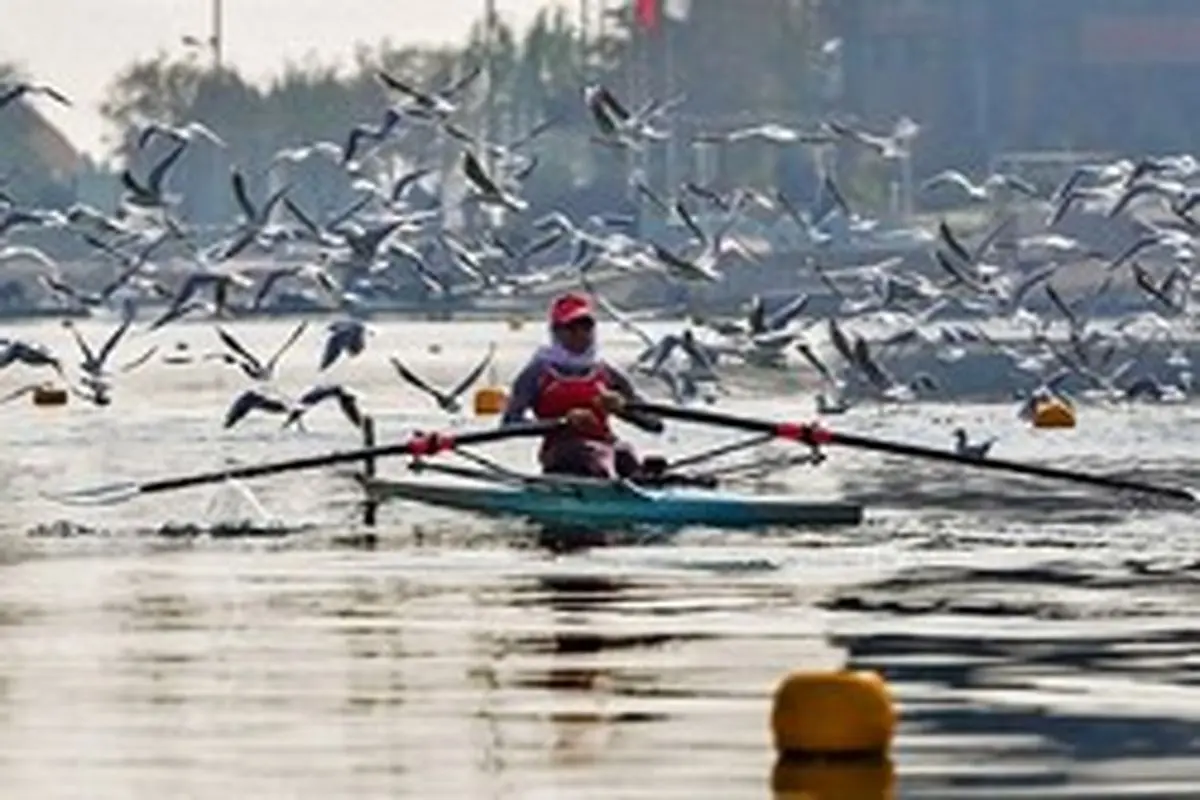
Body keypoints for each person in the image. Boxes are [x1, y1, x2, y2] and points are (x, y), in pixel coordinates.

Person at [500, 291, 664, 479]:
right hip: (562, 453)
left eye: (586, 326)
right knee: (593, 455)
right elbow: (509, 424)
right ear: (556, 332)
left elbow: (655, 425)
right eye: (571, 328)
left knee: (625, 452)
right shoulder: (537, 372)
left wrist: (622, 409)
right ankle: (616, 487)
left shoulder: (607, 372)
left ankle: (639, 482)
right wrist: (562, 423)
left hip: (608, 448)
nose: (581, 334)